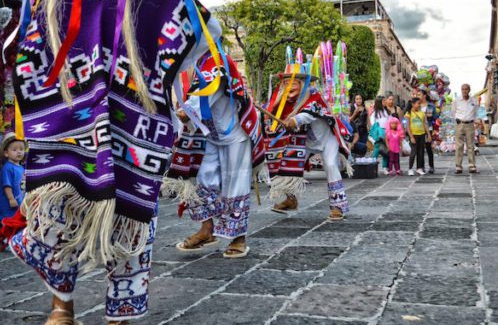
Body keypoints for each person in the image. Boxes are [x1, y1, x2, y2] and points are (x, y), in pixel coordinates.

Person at [5, 0, 221, 325]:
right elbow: (31, 48)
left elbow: (202, 35)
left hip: (133, 129)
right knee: (57, 213)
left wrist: (164, 77)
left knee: (129, 223)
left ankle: (119, 321)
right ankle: (61, 311)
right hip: (68, 129)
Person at [167, 49, 265, 258]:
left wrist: (184, 113)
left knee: (234, 184)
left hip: (235, 135)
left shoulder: (216, 61)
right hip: (212, 134)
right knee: (202, 180)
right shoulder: (201, 63)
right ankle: (207, 230)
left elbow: (203, 99)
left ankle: (238, 238)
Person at [266, 67, 350, 220]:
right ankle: (291, 199)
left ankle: (338, 206)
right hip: (304, 140)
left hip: (326, 138)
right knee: (286, 165)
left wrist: (294, 120)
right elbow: (271, 115)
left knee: (330, 165)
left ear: (302, 83)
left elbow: (308, 114)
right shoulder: (284, 101)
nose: (289, 86)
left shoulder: (314, 96)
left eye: (293, 82)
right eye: (285, 82)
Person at [0, 133, 26, 223]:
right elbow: (7, 185)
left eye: (21, 149)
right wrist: (11, 199)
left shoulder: (21, 167)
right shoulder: (7, 168)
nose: (19, 152)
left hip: (20, 200)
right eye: (14, 149)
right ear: (6, 153)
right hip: (10, 202)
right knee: (10, 220)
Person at [453, 84, 478, 174]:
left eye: (466, 89)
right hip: (460, 124)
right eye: (462, 89)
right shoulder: (457, 100)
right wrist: (457, 120)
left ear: (469, 90)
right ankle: (458, 166)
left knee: (470, 146)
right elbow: (453, 111)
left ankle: (472, 166)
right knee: (459, 146)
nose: (464, 91)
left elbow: (475, 112)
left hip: (470, 124)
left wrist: (472, 120)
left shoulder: (474, 101)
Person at [405, 98, 430, 176]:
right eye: (417, 103)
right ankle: (410, 168)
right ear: (413, 104)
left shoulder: (422, 113)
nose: (419, 105)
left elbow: (425, 124)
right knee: (413, 152)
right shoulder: (408, 113)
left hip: (422, 134)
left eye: (420, 103)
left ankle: (419, 168)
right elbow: (407, 127)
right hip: (414, 135)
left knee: (421, 152)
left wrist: (428, 134)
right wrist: (411, 137)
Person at [418, 89, 437, 173]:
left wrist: (431, 116)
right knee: (420, 149)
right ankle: (421, 167)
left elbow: (435, 117)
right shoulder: (416, 105)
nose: (417, 96)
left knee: (429, 148)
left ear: (424, 95)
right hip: (418, 129)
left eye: (419, 94)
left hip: (428, 128)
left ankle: (431, 166)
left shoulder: (431, 106)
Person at [369, 96, 390, 168]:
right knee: (377, 148)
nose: (385, 102)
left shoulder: (386, 111)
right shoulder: (374, 113)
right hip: (379, 134)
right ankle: (372, 164)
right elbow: (373, 124)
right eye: (384, 101)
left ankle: (385, 167)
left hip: (386, 133)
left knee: (386, 150)